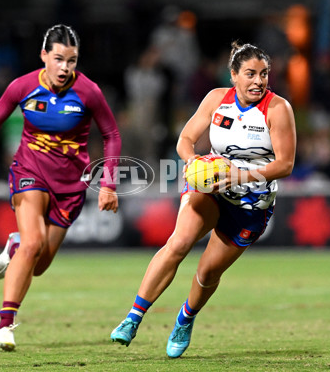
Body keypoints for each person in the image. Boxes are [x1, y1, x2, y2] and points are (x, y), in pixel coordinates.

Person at [110, 41, 296, 357]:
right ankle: (133, 317)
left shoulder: (278, 109)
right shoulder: (216, 100)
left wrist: (241, 176)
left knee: (208, 273)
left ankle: (185, 319)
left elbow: (285, 164)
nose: (258, 81)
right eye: (250, 74)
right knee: (179, 243)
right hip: (209, 190)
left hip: (250, 206)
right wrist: (192, 161)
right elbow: (185, 139)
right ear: (233, 75)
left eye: (263, 74)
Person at [0, 24, 121, 351]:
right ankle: (4, 326)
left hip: (71, 184)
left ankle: (14, 246)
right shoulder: (22, 86)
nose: (65, 68)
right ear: (44, 56)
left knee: (38, 265)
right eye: (58, 59)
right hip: (29, 171)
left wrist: (109, 182)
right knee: (33, 243)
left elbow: (111, 135)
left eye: (72, 60)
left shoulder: (89, 92)